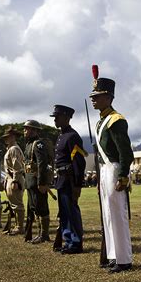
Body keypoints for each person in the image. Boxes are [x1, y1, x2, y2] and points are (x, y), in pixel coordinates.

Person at [89, 67, 134, 273]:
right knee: (108, 215)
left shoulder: (116, 120)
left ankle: (124, 259)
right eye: (93, 96)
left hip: (115, 169)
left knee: (117, 215)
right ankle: (114, 256)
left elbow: (126, 152)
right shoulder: (102, 121)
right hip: (105, 170)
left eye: (97, 96)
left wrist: (123, 176)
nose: (93, 100)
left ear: (108, 97)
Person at [50, 105, 87, 254]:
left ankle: (76, 243)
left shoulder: (72, 136)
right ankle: (68, 241)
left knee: (71, 212)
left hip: (70, 179)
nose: (55, 120)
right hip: (61, 179)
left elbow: (79, 161)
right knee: (64, 213)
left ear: (66, 117)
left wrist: (78, 184)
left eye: (57, 117)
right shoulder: (61, 135)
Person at [23, 120, 52, 244]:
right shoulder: (28, 144)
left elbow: (42, 163)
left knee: (42, 207)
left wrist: (42, 182)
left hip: (36, 181)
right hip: (30, 181)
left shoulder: (38, 143)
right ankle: (40, 233)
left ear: (35, 130)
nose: (24, 131)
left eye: (27, 129)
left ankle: (44, 234)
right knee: (34, 207)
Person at [1, 126, 26, 235]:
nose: (6, 139)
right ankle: (17, 226)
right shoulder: (11, 149)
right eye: (5, 137)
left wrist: (15, 181)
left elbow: (17, 167)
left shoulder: (14, 149)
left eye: (9, 136)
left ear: (14, 137)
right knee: (14, 204)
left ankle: (20, 227)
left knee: (17, 204)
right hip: (10, 178)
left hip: (14, 178)